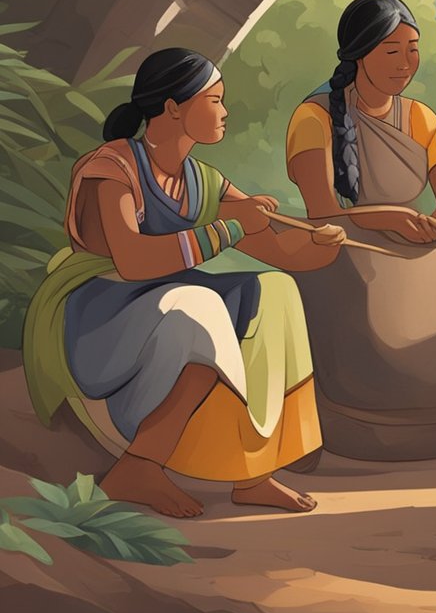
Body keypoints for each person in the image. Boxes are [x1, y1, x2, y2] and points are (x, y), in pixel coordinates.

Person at [24, 48, 344, 517]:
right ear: (173, 107)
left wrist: (325, 243)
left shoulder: (203, 181)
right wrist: (232, 227)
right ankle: (139, 465)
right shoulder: (111, 168)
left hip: (166, 310)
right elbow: (131, 260)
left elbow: (279, 253)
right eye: (214, 100)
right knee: (200, 304)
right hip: (98, 319)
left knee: (276, 292)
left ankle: (253, 470)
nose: (225, 111)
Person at [286, 0, 436, 462]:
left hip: (419, 239)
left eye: (413, 49)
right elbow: (321, 211)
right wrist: (383, 220)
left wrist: (429, 226)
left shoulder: (422, 117)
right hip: (343, 243)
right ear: (359, 54)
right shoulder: (314, 117)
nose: (406, 63)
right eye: (391, 51)